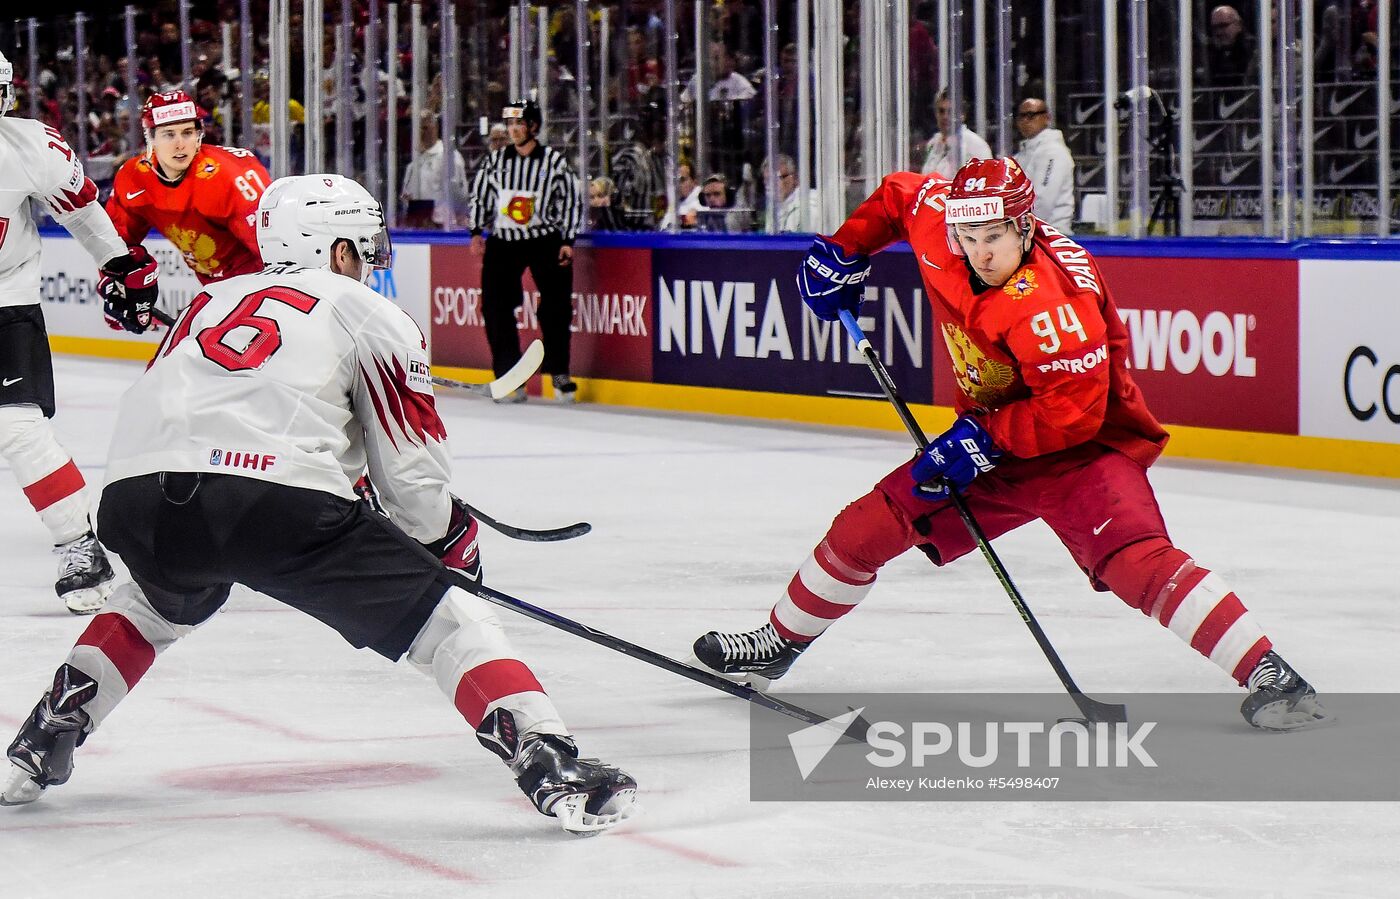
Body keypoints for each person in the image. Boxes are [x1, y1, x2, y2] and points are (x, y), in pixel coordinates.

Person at [1, 173, 639, 834]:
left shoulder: (209, 300)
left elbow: (196, 413)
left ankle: (45, 734)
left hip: (135, 500)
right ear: (336, 251)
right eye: (362, 247)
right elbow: (412, 475)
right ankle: (549, 764)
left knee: (159, 601)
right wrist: (450, 548)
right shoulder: (371, 312)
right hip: (267, 500)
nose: (369, 261)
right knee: (450, 624)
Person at [693, 157, 1331, 734]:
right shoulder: (949, 225)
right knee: (865, 527)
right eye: (968, 238)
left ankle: (1268, 672)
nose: (979, 253)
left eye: (993, 237)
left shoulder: (1054, 304)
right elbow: (897, 195)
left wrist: (981, 441)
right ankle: (779, 641)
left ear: (1026, 227)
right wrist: (843, 250)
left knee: (1134, 559)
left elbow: (1074, 415)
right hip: (991, 441)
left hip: (1081, 450)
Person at [0, 51, 158, 613]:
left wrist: (118, 264)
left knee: (16, 428)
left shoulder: (28, 149)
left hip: (5, 302)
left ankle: (79, 544)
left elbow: (84, 213)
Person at [468, 98, 583, 404]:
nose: (513, 129)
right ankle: (509, 375)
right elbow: (480, 194)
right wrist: (477, 230)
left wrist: (567, 240)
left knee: (556, 307)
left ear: (533, 126)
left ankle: (559, 372)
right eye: (510, 124)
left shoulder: (554, 162)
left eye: (519, 123)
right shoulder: (495, 161)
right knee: (495, 306)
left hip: (544, 239)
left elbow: (571, 199)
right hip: (504, 241)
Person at [105, 90, 270, 297]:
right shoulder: (134, 178)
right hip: (213, 287)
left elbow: (276, 251)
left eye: (187, 132)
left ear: (199, 135)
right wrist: (115, 284)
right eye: (169, 134)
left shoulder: (231, 177)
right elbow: (114, 243)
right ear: (151, 138)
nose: (180, 144)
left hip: (260, 282)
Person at [1012, 97, 1075, 233]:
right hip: (1026, 233)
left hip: (1052, 235)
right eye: (1021, 117)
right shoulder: (1021, 154)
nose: (1025, 121)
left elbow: (1044, 200)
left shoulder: (1054, 152)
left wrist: (1018, 228)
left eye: (1031, 115)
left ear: (1046, 118)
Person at [400, 115, 469, 229]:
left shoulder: (449, 156)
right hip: (418, 226)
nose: (422, 132)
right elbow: (406, 194)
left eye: (425, 127)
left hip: (442, 226)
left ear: (435, 128)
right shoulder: (414, 163)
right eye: (419, 128)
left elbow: (460, 194)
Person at [920, 89, 991, 179]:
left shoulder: (976, 145)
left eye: (950, 112)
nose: (945, 116)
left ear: (963, 115)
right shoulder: (933, 144)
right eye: (941, 111)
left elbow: (985, 182)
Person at [760, 153, 820, 233]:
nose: (771, 185)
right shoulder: (774, 207)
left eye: (777, 178)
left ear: (793, 178)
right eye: (767, 180)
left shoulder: (809, 206)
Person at [1204, 5, 1258, 87]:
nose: (1218, 32)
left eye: (1223, 26)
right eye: (1214, 28)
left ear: (1239, 25)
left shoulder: (1254, 50)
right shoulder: (1210, 53)